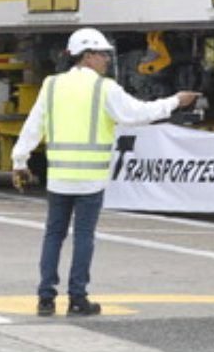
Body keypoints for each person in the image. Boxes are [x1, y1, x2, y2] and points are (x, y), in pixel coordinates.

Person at [11, 28, 198, 317]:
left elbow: (33, 126)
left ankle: (45, 298)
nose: (107, 60)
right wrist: (175, 101)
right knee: (83, 237)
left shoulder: (51, 85)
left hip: (59, 179)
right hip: (90, 181)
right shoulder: (104, 88)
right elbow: (137, 114)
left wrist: (20, 161)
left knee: (53, 235)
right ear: (87, 56)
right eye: (102, 54)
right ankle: (77, 298)